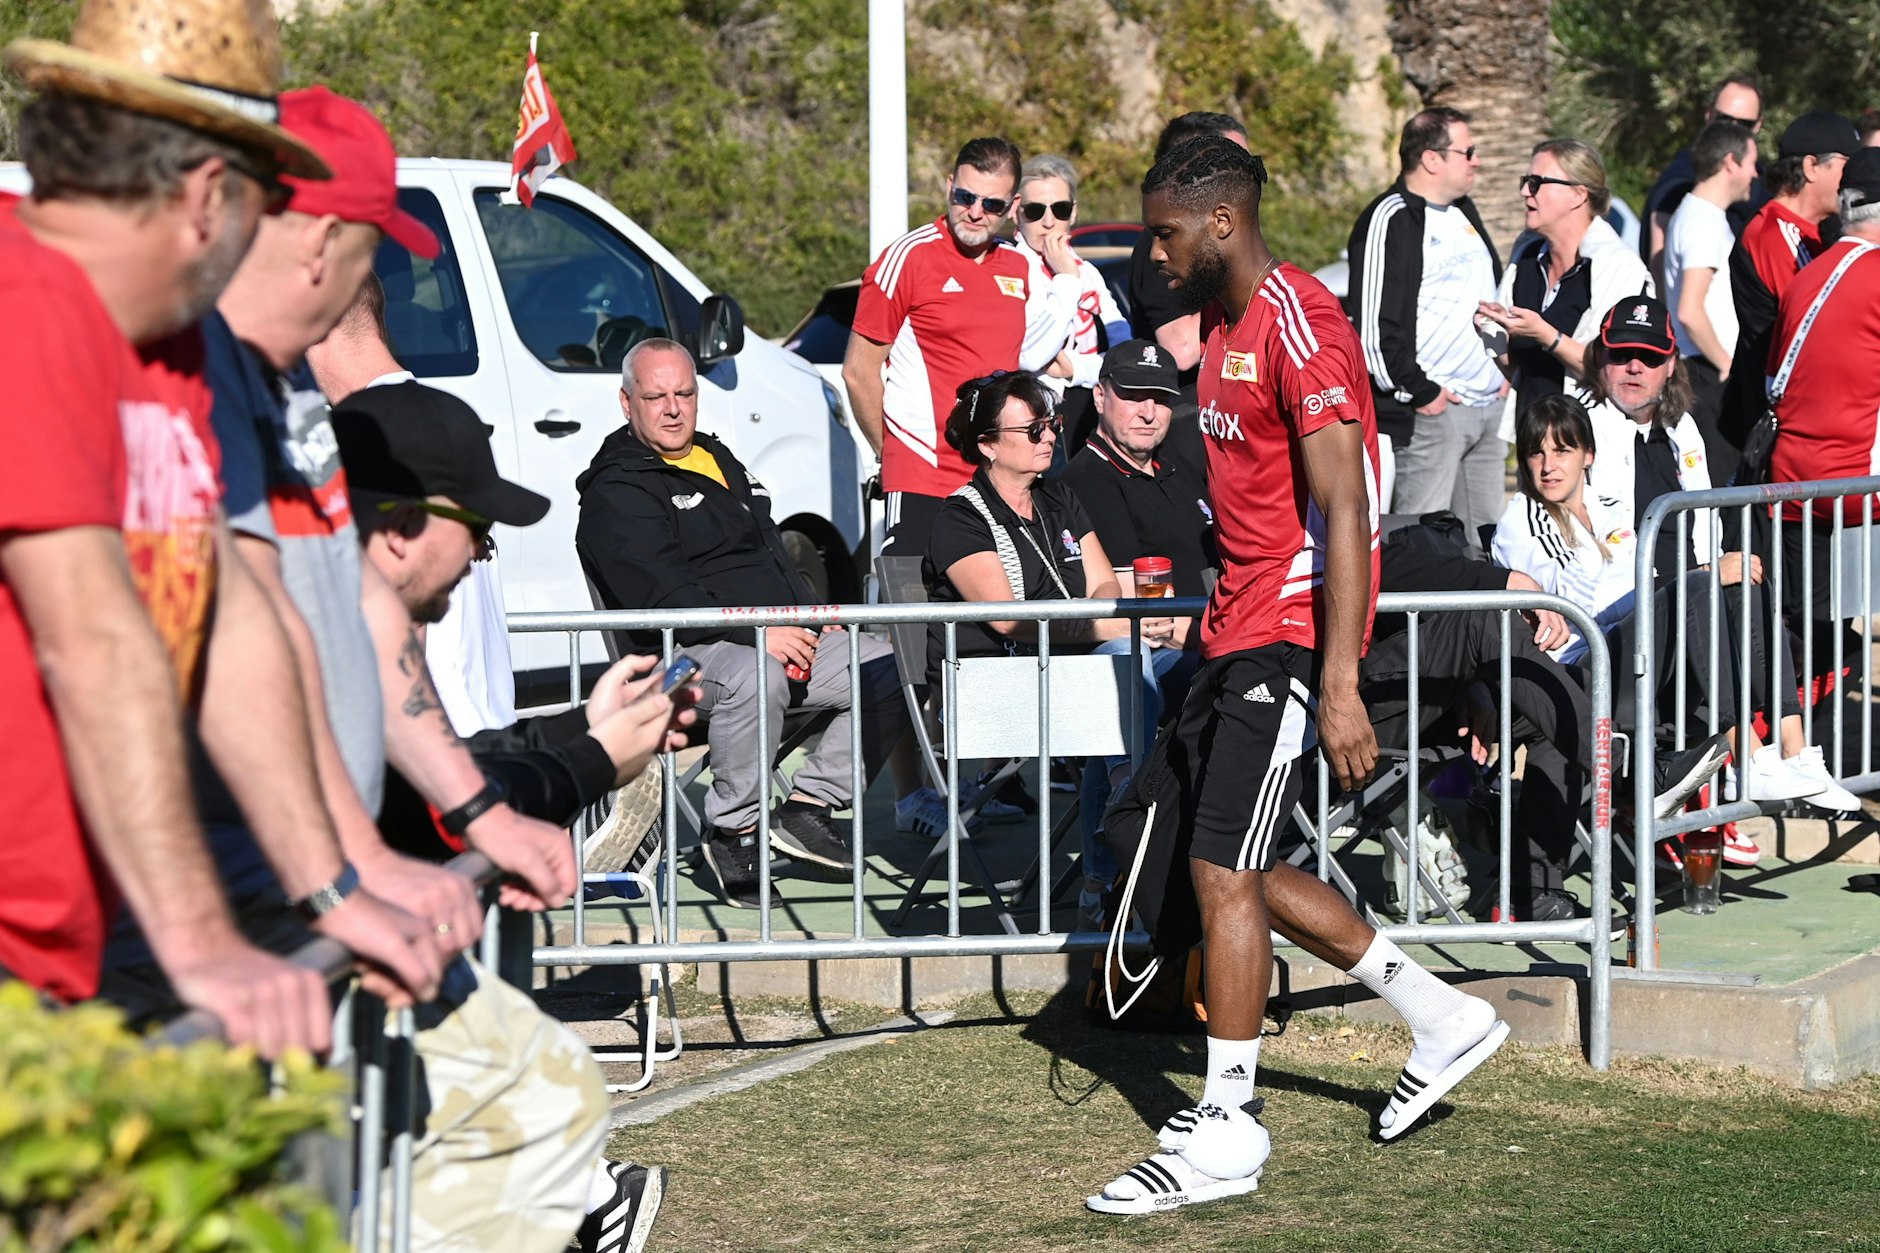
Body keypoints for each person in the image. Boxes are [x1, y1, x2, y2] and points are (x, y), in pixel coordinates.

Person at [1088, 135, 1508, 1216]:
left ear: (1219, 222)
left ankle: (1226, 1125)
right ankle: (1439, 1014)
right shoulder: (1219, 323)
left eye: (1165, 231)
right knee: (1225, 860)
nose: (1154, 250)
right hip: (1228, 632)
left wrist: (1335, 679)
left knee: (1222, 867)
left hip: (1284, 639)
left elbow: (1346, 509)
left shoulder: (1297, 324)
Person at [0, 0, 352, 1054]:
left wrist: (334, 885)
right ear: (208, 195)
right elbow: (93, 634)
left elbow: (228, 609)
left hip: (64, 962)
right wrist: (202, 939)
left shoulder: (167, 345)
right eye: (265, 196)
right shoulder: (22, 304)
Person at [330, 378, 680, 1253]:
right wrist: (592, 758)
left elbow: (452, 771)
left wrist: (581, 731)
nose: (486, 554)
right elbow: (419, 810)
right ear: (402, 524)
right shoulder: (318, 632)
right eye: (477, 527)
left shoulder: (333, 616)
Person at [578, 338, 908, 907]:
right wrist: (758, 631)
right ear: (627, 402)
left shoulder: (716, 457)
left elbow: (772, 555)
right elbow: (664, 595)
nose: (674, 408)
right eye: (656, 396)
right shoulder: (617, 488)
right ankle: (734, 830)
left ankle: (807, 808)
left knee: (891, 662)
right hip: (676, 658)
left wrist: (809, 615)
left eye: (684, 393)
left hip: (766, 638)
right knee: (756, 675)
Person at [1492, 394, 1854, 854]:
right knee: (1701, 587)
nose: (1548, 465)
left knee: (1742, 579)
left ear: (1589, 455)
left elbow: (1649, 586)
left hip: (1636, 661)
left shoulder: (1612, 508)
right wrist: (1689, 583)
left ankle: (1797, 754)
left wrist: (1700, 578)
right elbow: (1585, 604)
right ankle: (1748, 757)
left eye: (1562, 450)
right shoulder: (1522, 520)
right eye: (1536, 452)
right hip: (1582, 677)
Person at [308, 271, 520, 735]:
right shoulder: (444, 416)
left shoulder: (371, 439)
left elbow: (399, 612)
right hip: (485, 734)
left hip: (430, 746)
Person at [1061, 339, 1210, 921]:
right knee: (1133, 680)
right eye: (1133, 396)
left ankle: (1110, 877)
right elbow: (1129, 607)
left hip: (1197, 640)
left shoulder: (1178, 468)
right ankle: (1122, 861)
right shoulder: (1088, 479)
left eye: (1161, 399)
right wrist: (1202, 618)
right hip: (1143, 652)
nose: (1148, 410)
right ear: (1100, 397)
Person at [842, 136, 1039, 561]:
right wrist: (891, 454)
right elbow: (858, 372)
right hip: (922, 475)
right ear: (949, 186)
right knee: (916, 615)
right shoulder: (907, 258)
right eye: (965, 196)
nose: (974, 212)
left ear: (1013, 206)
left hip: (996, 476)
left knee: (993, 619)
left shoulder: (1019, 266)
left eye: (992, 205)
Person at [1347, 106, 1506, 533]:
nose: (1476, 160)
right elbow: (1374, 334)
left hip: (1488, 406)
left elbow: (1488, 298)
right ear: (1432, 158)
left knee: (1490, 543)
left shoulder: (1464, 211)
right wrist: (1422, 393)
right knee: (1425, 541)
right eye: (1467, 151)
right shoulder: (1391, 217)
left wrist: (1505, 370)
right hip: (1434, 415)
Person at [1765, 146, 1880, 716]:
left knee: (1813, 636)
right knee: (1826, 645)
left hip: (1796, 493)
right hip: (1860, 496)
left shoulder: (1806, 277)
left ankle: (1789, 752)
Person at [1481, 138, 1653, 440]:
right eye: (1526, 182)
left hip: (1593, 445)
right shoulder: (1527, 258)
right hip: (1533, 440)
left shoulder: (1617, 266)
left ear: (1577, 194)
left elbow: (1619, 369)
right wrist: (1491, 332)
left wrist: (1546, 334)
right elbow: (1520, 370)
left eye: (1536, 183)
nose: (1524, 192)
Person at [1719, 112, 1859, 452]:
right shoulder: (1774, 233)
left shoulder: (1813, 234)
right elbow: (1812, 328)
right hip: (1783, 435)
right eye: (1847, 165)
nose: (1854, 178)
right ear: (1812, 167)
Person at [1012, 153, 1130, 454]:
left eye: (1060, 210)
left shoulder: (1088, 272)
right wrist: (1066, 279)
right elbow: (1033, 356)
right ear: (1017, 211)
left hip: (1092, 416)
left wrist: (1077, 367)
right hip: (1035, 426)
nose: (1049, 222)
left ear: (1073, 213)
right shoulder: (1010, 269)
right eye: (1035, 211)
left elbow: (1121, 351)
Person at [1662, 121, 1759, 484]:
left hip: (1703, 369)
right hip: (1707, 373)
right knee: (1717, 489)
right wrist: (1727, 366)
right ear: (1731, 162)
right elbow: (1690, 309)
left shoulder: (1698, 215)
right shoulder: (1702, 220)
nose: (1755, 173)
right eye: (1752, 162)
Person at [1640, 74, 1769, 282]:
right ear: (1709, 115)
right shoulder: (1679, 180)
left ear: (1757, 126)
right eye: (1724, 119)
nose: (1732, 130)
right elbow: (1659, 263)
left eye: (1743, 124)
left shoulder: (1764, 183)